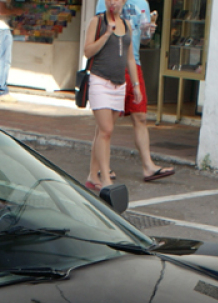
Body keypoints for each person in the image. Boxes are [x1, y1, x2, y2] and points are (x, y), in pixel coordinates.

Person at [87, 0, 174, 187]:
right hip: (107, 67)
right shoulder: (106, 3)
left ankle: (147, 166)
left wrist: (148, 31)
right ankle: (100, 172)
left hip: (133, 63)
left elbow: (143, 39)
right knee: (106, 128)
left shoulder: (142, 3)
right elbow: (100, 27)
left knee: (139, 116)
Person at [82, 0, 141, 193]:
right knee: (106, 130)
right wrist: (107, 33)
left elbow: (130, 58)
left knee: (103, 132)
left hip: (119, 85)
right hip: (100, 81)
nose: (112, 2)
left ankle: (92, 175)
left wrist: (136, 85)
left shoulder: (127, 25)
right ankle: (105, 177)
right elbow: (87, 50)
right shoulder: (97, 22)